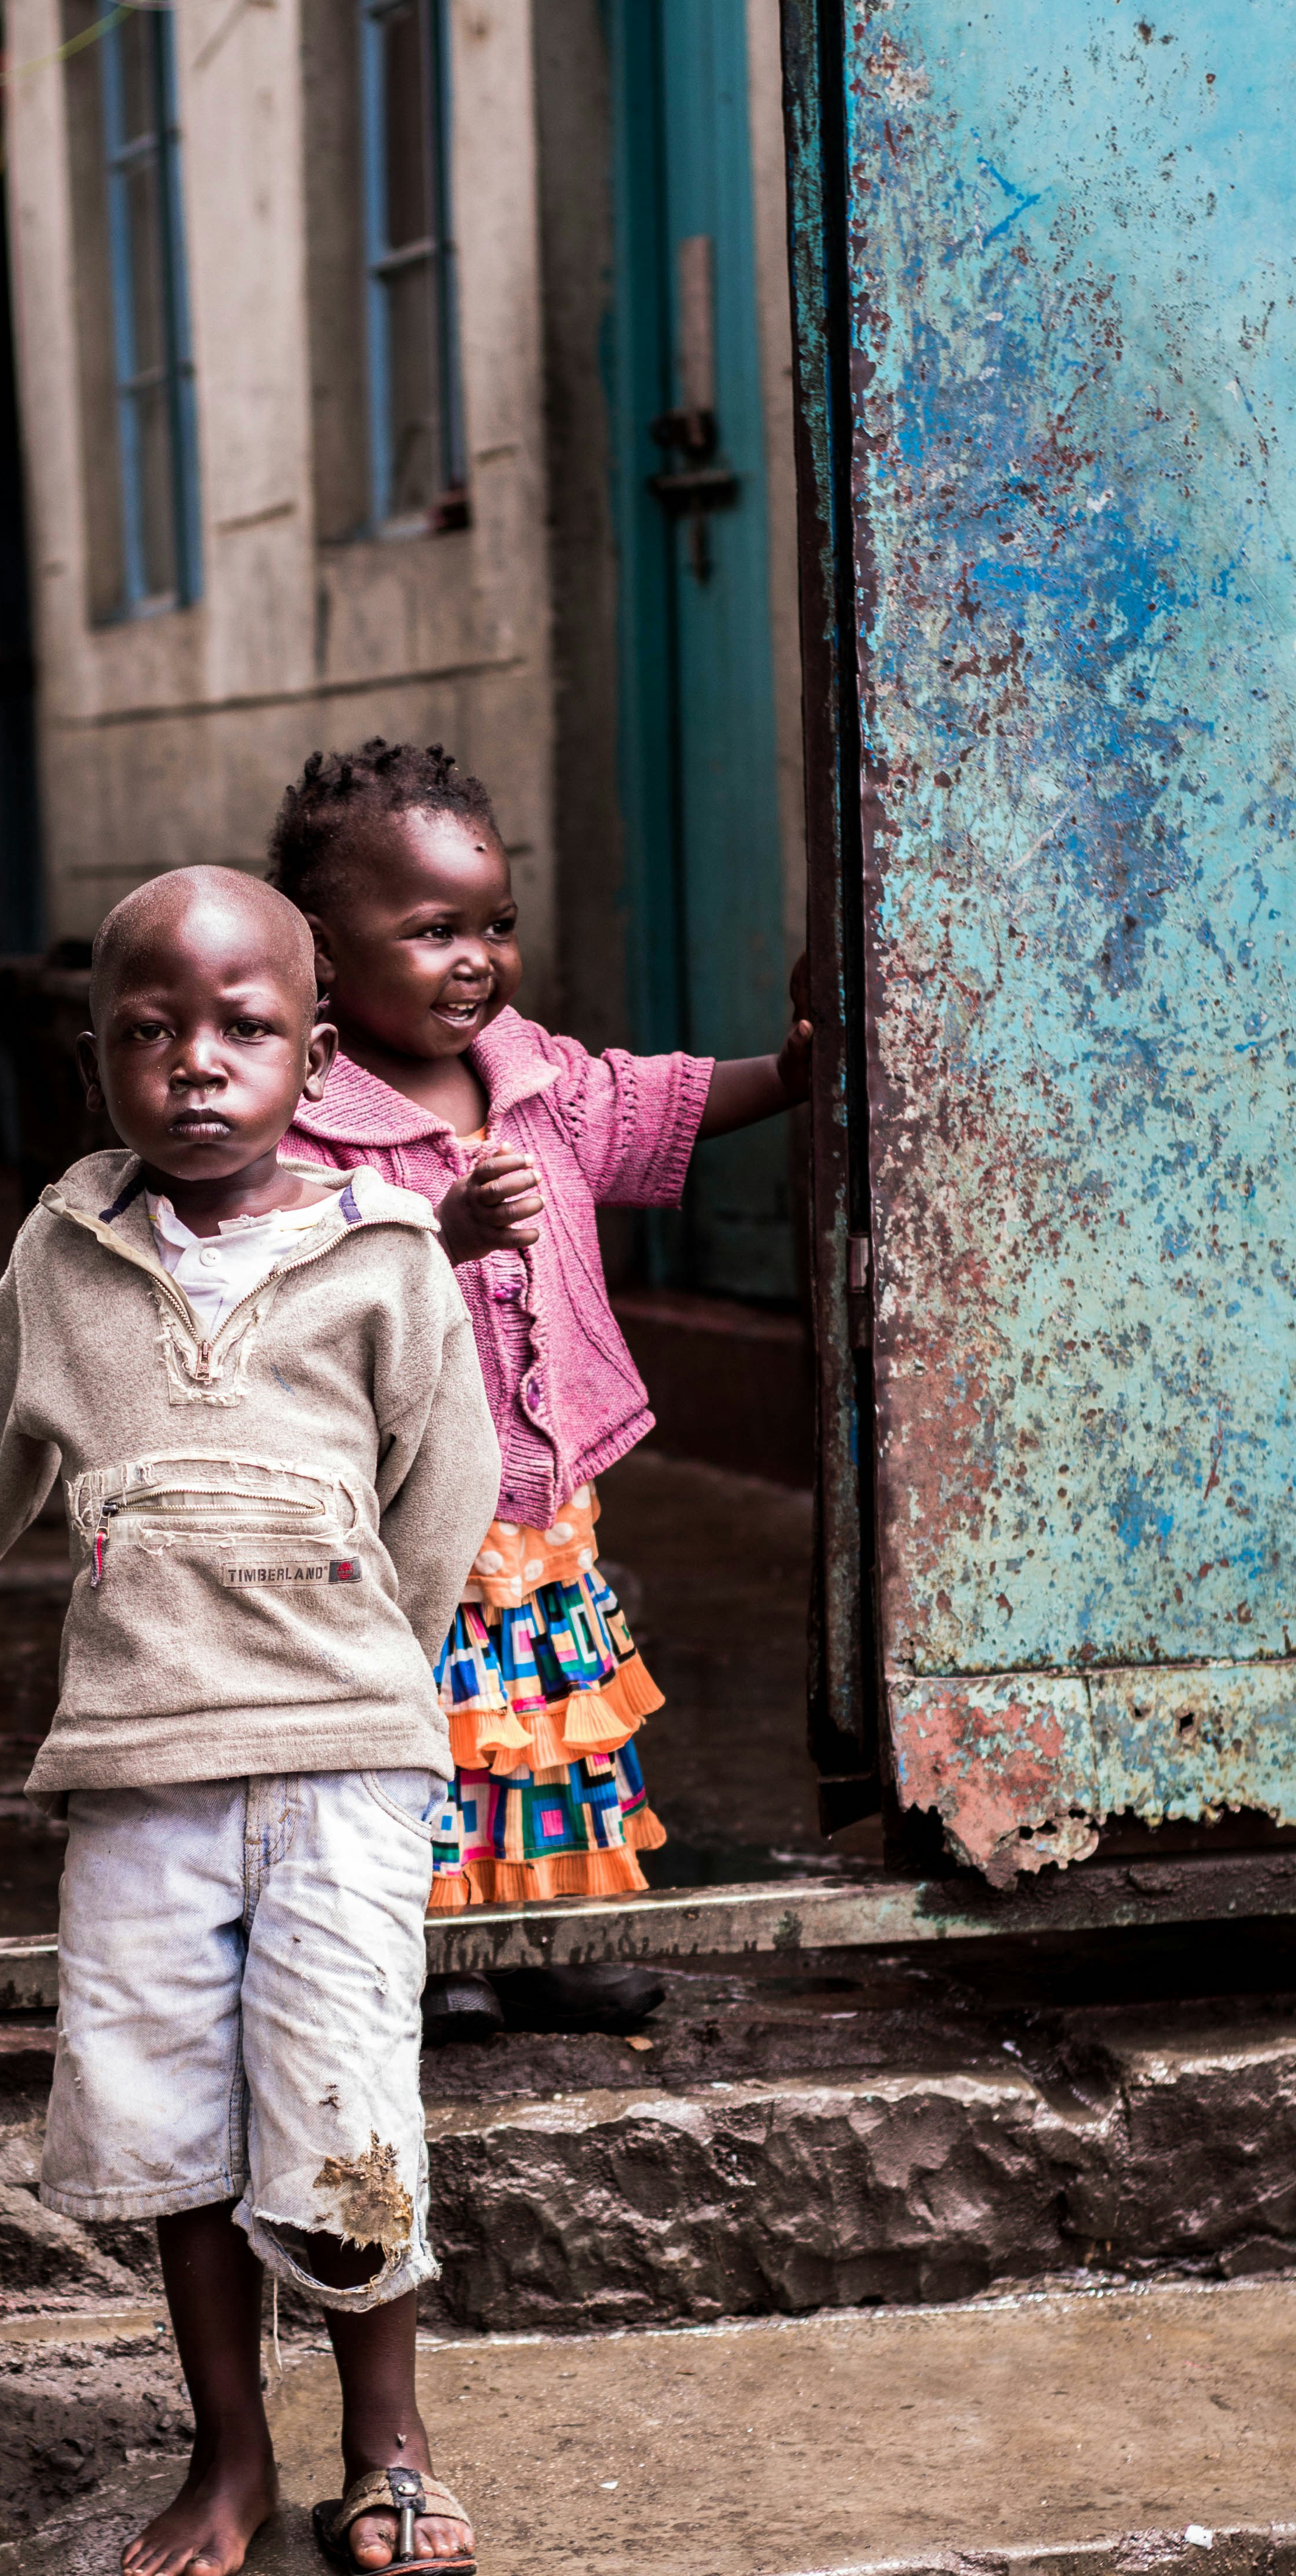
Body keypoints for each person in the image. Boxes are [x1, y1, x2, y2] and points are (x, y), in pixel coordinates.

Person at [0, 866, 501, 2576]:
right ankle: (229, 2445)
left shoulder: (383, 1259)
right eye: (150, 1033)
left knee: (342, 2102)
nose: (198, 1066)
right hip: (143, 1783)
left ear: (313, 1057)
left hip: (342, 1764)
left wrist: (370, 1673)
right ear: (100, 1063)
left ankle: (389, 2447)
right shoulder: (66, 1263)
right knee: (175, 2123)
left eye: (244, 1028)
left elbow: (440, 1504)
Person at [269, 738, 812, 1971]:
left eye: (495, 925)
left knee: (555, 1712)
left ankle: (564, 1925)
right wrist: (440, 1233)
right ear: (320, 947)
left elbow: (658, 1101)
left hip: (546, 1492)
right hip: (402, 1505)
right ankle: (439, 1947)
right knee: (433, 1723)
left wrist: (789, 1073)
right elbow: (290, 1285)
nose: (477, 961)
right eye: (430, 931)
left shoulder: (537, 1078)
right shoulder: (306, 1120)